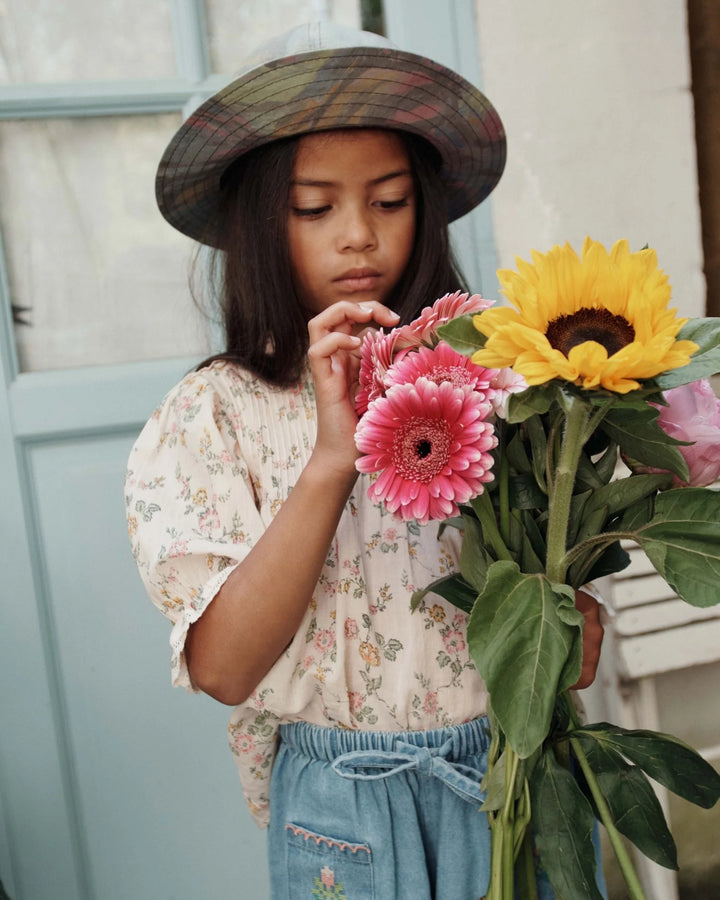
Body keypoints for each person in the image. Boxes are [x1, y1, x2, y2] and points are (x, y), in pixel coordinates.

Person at [125, 21, 605, 899]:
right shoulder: (214, 416)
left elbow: (570, 651)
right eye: (315, 207)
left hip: (512, 777)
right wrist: (330, 460)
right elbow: (225, 669)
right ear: (257, 223)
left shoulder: (499, 384)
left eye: (389, 201)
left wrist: (572, 595)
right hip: (342, 810)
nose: (358, 236)